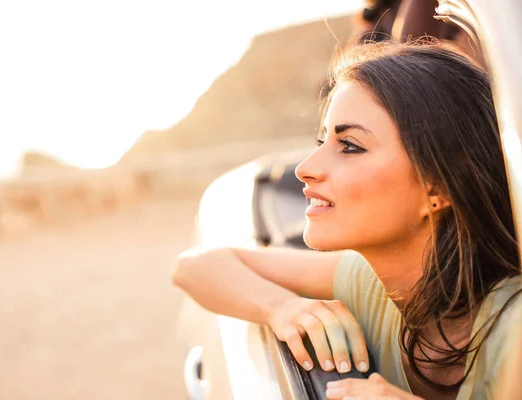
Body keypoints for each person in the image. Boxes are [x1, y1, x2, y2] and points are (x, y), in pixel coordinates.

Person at [172, 41, 521, 400]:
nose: (306, 169)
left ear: (440, 188)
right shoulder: (370, 283)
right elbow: (195, 266)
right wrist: (283, 308)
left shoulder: (513, 330)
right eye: (322, 140)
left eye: (350, 146)